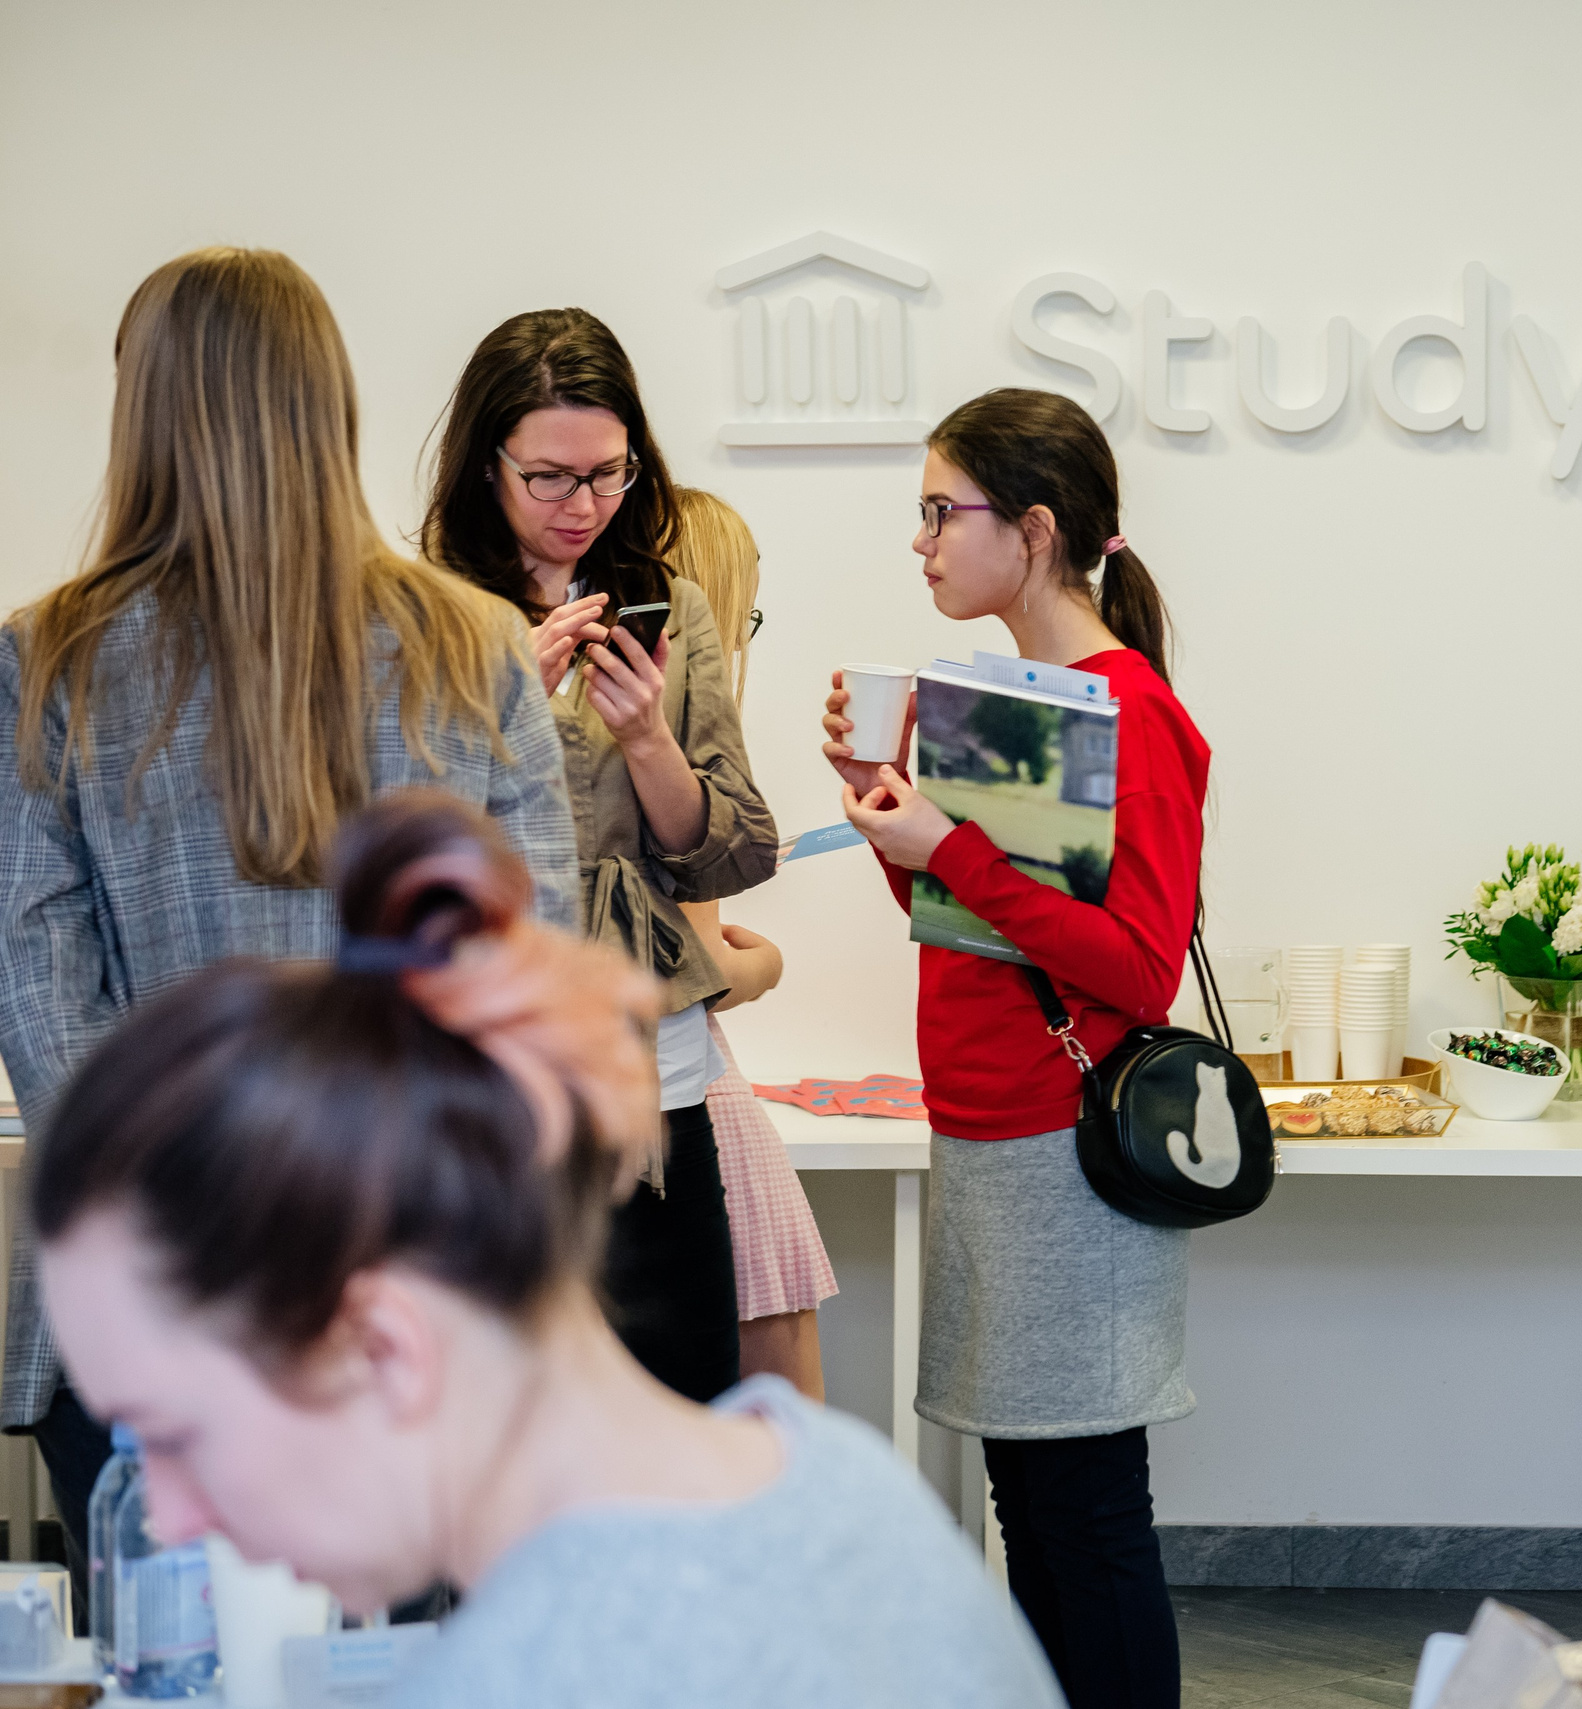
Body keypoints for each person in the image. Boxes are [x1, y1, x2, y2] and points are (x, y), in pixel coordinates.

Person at [30, 793, 1063, 1709]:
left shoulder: (526, 1675)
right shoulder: (846, 1486)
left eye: (177, 1430)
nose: (163, 1506)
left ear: (383, 1341)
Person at [0, 248, 577, 1610]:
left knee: (173, 1662)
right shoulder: (479, 642)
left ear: (145, 410)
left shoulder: (49, 660)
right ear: (335, 403)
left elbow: (42, 1005)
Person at [820, 388, 1206, 1709]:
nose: (923, 541)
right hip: (989, 1140)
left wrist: (953, 847)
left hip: (1068, 1158)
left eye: (944, 511)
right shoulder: (999, 702)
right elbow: (975, 929)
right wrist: (891, 826)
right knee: (1031, 1508)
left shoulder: (1128, 710)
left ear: (1033, 531)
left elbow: (1140, 968)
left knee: (1086, 1520)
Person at [422, 310, 778, 1405]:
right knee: (507, 1418)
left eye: (608, 474)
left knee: (683, 1399)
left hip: (652, 1067)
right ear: (486, 466)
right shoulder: (423, 613)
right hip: (485, 1077)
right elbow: (380, 848)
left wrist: (648, 739)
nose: (583, 507)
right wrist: (499, 700)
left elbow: (735, 849)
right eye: (549, 478)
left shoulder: (671, 605)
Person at [669, 484, 837, 1398]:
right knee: (784, 1434)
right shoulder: (682, 755)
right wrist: (764, 962)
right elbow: (703, 975)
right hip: (709, 1102)